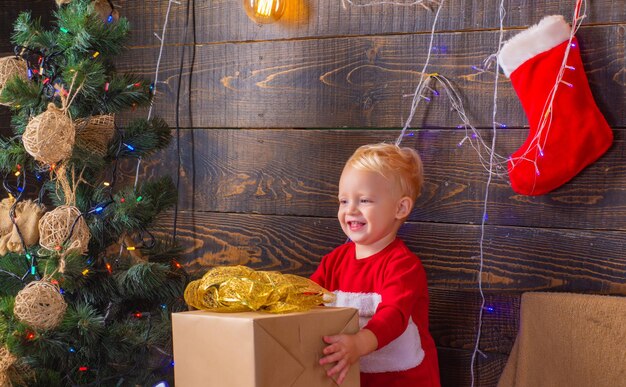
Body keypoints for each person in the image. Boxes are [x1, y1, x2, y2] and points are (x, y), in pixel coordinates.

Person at [311, 143, 440, 387]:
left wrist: (359, 343)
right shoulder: (333, 262)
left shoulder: (403, 266)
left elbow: (393, 315)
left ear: (400, 208)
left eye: (365, 200)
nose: (351, 210)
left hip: (404, 379)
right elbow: (308, 297)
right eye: (343, 201)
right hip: (354, 377)